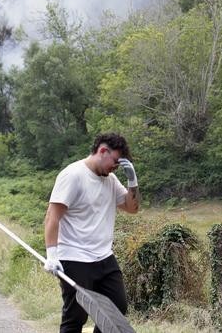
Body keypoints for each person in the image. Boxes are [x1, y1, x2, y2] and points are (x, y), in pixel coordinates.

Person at [44, 133, 140, 333]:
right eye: (115, 161)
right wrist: (52, 256)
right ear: (102, 151)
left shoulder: (111, 180)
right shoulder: (73, 175)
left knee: (117, 308)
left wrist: (132, 181)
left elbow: (132, 208)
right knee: (76, 316)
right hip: (74, 257)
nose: (115, 167)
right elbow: (52, 218)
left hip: (104, 256)